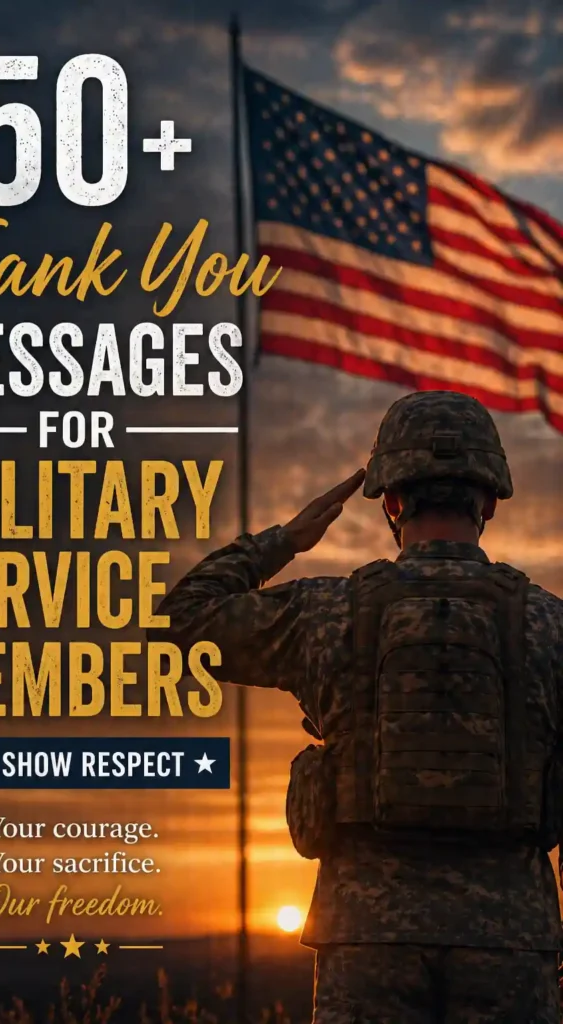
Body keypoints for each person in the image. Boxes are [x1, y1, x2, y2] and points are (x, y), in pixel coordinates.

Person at [151, 390, 563, 1024]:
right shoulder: (549, 623)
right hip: (511, 938)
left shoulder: (326, 613)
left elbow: (178, 620)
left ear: (391, 501)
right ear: (489, 500)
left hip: (364, 936)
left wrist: (283, 539)